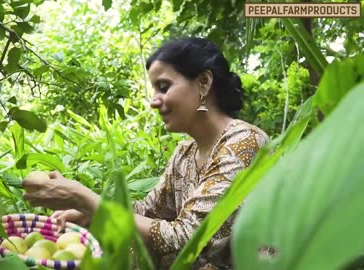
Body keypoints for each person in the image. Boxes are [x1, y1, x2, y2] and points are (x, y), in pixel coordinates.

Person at [22, 37, 269, 269]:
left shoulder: (244, 142)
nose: (154, 101)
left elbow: (190, 240)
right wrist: (88, 213)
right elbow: (146, 211)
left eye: (164, 87)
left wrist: (84, 199)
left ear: (204, 82)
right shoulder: (185, 153)